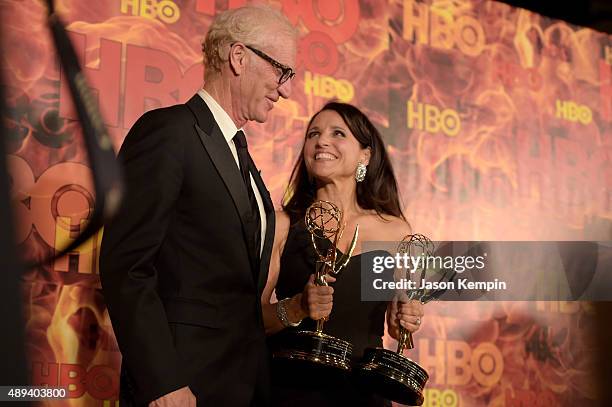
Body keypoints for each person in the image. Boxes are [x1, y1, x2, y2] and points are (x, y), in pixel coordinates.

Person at [99, 5, 297, 407]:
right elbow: (127, 267)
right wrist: (163, 383)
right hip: (182, 386)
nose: (286, 89)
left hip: (241, 386)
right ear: (238, 58)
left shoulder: (240, 155)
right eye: (282, 71)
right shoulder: (169, 132)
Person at [261, 102, 425, 406]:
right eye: (313, 134)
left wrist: (404, 318)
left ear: (365, 154)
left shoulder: (393, 231)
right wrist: (297, 306)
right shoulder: (283, 224)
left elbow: (392, 322)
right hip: (292, 391)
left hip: (363, 396)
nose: (322, 141)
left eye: (338, 133)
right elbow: (252, 321)